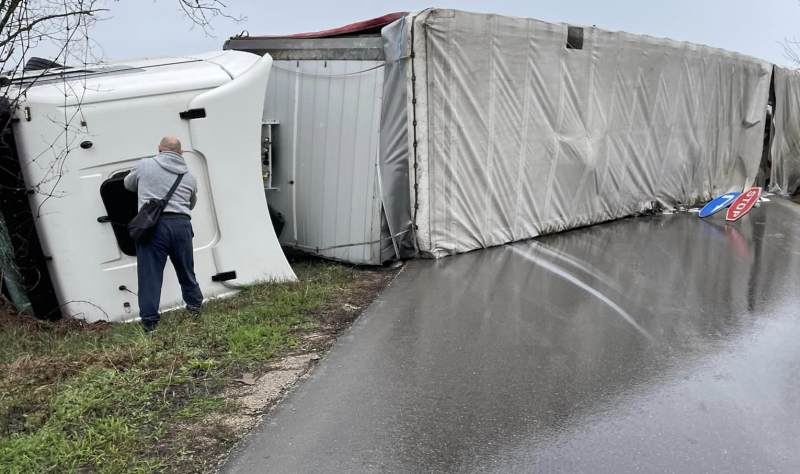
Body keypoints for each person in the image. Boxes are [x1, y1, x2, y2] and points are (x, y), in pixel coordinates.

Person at [124, 136, 203, 332]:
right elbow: (191, 204)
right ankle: (196, 309)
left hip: (153, 226)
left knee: (150, 275)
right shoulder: (190, 176)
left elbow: (128, 184)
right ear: (181, 152)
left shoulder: (145, 165)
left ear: (159, 149)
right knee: (186, 270)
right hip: (181, 225)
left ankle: (150, 323)